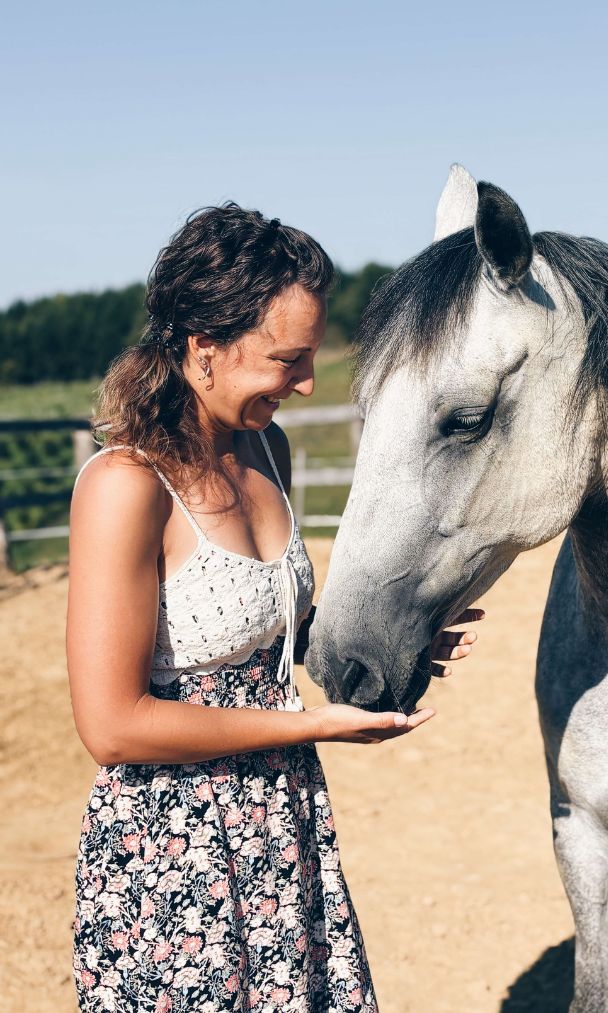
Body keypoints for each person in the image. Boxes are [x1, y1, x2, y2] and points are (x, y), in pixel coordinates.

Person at [66, 203, 482, 1013]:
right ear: (204, 349)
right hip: (173, 847)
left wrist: (383, 640)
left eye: (312, 357)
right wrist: (316, 726)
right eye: (287, 360)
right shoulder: (127, 486)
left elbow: (257, 630)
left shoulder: (268, 449)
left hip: (281, 820)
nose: (306, 383)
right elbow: (112, 724)